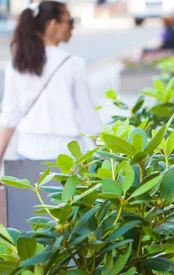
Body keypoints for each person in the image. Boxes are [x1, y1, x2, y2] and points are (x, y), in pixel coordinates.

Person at [0, 1, 101, 163]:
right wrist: (110, 158)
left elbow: (9, 117)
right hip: (66, 154)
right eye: (70, 21)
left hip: (28, 151)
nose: (72, 28)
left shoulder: (18, 65)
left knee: (34, 190)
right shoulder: (73, 64)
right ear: (53, 25)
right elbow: (89, 117)